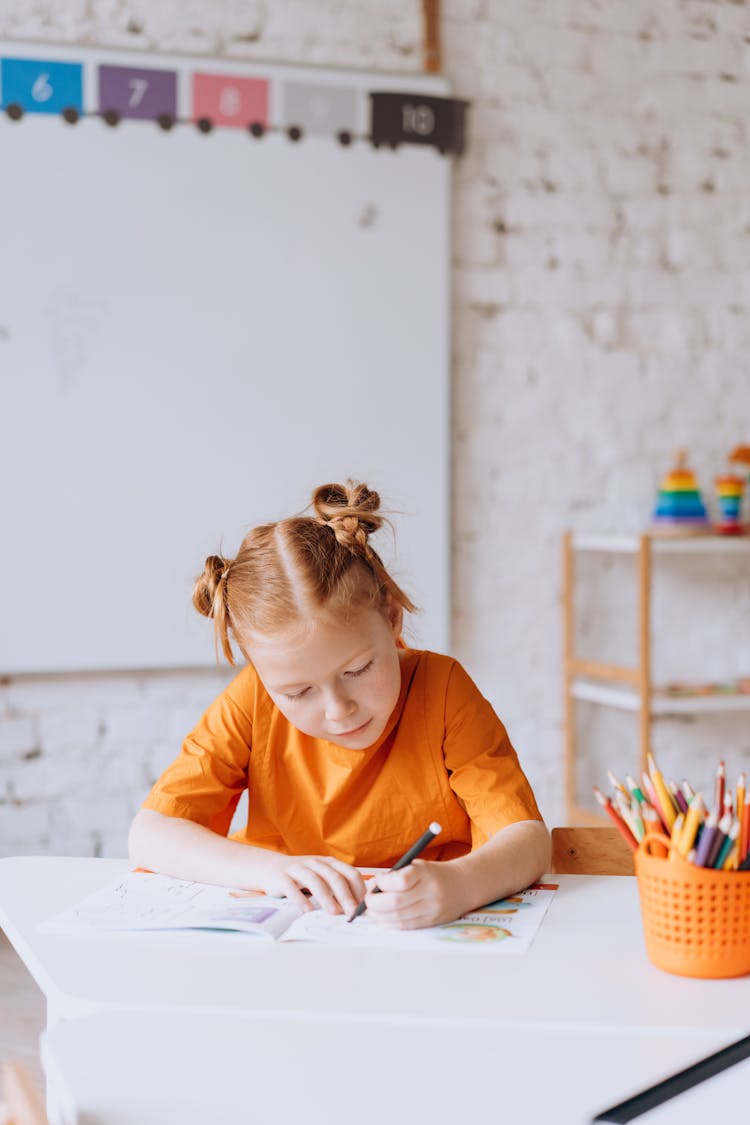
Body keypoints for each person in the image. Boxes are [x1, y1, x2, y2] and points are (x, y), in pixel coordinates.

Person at [128, 480, 550, 929]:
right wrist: (272, 870)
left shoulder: (441, 689)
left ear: (391, 619)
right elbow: (151, 835)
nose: (338, 709)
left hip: (423, 930)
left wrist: (460, 885)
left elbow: (527, 840)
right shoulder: (251, 699)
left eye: (357, 671)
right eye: (297, 693)